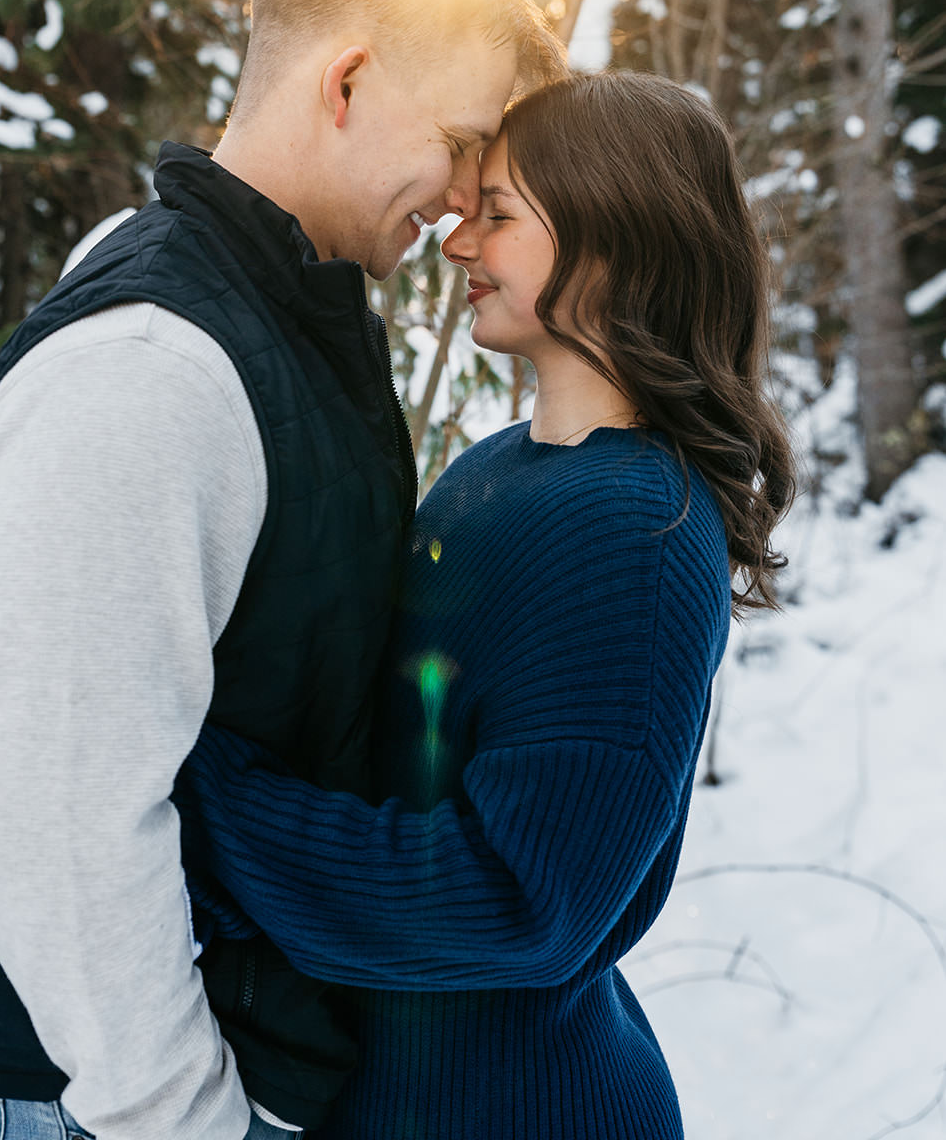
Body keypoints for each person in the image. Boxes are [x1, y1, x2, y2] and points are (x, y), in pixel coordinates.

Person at [0, 0, 568, 1140]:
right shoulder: (150, 366)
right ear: (346, 80)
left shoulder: (282, 319)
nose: (466, 199)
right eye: (462, 141)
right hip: (77, 1101)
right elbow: (63, 820)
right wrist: (189, 1117)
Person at [176, 70, 798, 1140]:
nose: (456, 241)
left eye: (498, 215)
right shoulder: (502, 467)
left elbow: (522, 901)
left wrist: (198, 793)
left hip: (517, 1107)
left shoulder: (632, 527)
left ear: (613, 237)